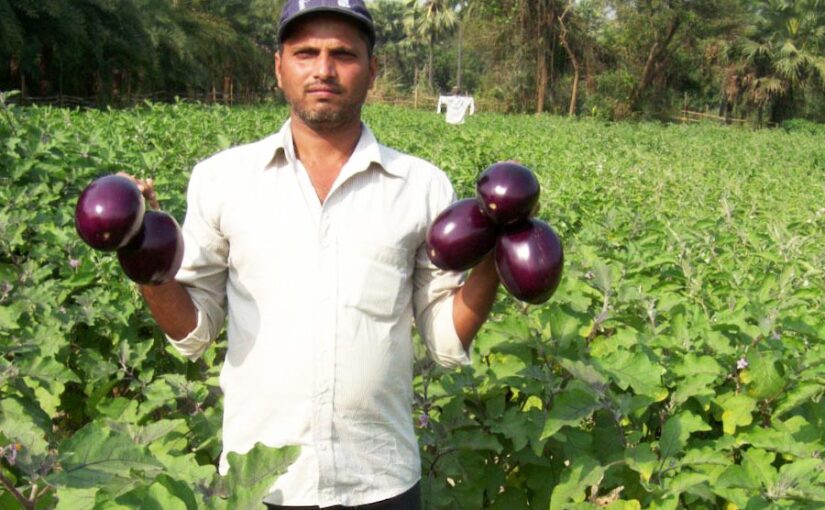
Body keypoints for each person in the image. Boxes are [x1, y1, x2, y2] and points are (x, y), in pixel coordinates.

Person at [132, 0, 499, 508]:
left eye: (343, 54)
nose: (324, 69)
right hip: (261, 486)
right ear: (279, 67)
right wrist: (141, 252)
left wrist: (496, 259)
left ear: (373, 70)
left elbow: (442, 335)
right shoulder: (222, 180)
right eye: (306, 52)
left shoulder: (421, 186)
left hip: (380, 478)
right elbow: (193, 331)